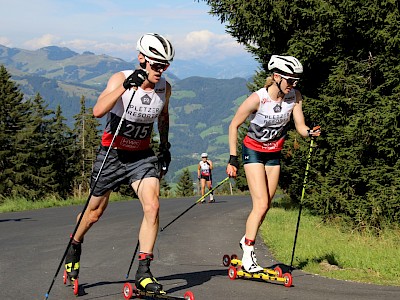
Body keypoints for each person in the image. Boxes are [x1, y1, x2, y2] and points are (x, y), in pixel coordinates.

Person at [64, 33, 175, 294]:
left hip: (142, 156)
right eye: (156, 64)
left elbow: (164, 116)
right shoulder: (119, 78)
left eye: (165, 65)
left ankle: (144, 271)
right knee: (93, 214)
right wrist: (125, 86)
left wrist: (165, 145)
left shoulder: (164, 88)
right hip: (112, 155)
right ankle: (75, 243)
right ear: (141, 59)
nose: (160, 70)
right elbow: (97, 111)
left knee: (153, 205)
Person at [226, 55, 321, 273]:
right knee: (259, 204)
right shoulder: (258, 99)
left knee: (266, 205)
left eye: (296, 81)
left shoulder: (294, 97)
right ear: (276, 77)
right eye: (290, 80)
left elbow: (300, 125)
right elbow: (234, 125)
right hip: (253, 152)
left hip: (273, 154)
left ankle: (245, 239)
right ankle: (248, 253)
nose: (293, 85)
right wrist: (233, 159)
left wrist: (309, 132)